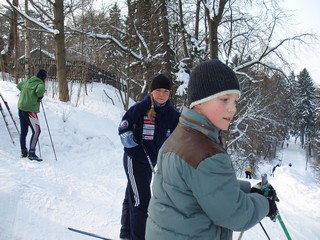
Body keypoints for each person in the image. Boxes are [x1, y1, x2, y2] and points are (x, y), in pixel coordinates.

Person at [146, 59, 279, 240]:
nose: (232, 108)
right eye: (224, 99)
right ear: (200, 102)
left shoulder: (182, 135)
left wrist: (248, 190)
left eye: (235, 101)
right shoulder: (207, 154)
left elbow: (197, 186)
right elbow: (236, 215)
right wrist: (265, 203)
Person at [118, 74, 180, 240]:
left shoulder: (173, 115)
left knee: (132, 194)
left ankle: (126, 233)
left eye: (165, 91)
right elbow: (123, 130)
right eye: (158, 90)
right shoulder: (139, 109)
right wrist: (133, 138)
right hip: (135, 159)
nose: (161, 94)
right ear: (152, 91)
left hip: (151, 161)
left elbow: (180, 138)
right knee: (142, 201)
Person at [17, 69, 47, 161]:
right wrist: (40, 96)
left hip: (21, 108)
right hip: (30, 110)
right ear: (43, 77)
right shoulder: (40, 84)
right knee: (37, 131)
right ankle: (32, 153)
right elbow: (39, 92)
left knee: (23, 131)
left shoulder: (28, 81)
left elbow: (19, 85)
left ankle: (23, 152)